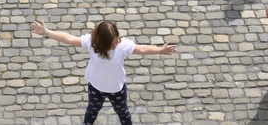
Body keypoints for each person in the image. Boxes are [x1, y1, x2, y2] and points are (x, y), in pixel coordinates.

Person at [29, 18, 175, 125]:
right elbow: (69, 39)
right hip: (96, 87)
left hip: (116, 89)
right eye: (113, 43)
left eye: (117, 40)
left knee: (123, 113)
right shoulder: (91, 43)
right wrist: (47, 32)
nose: (117, 44)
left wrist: (161, 50)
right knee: (92, 111)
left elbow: (141, 49)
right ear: (103, 43)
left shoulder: (121, 45)